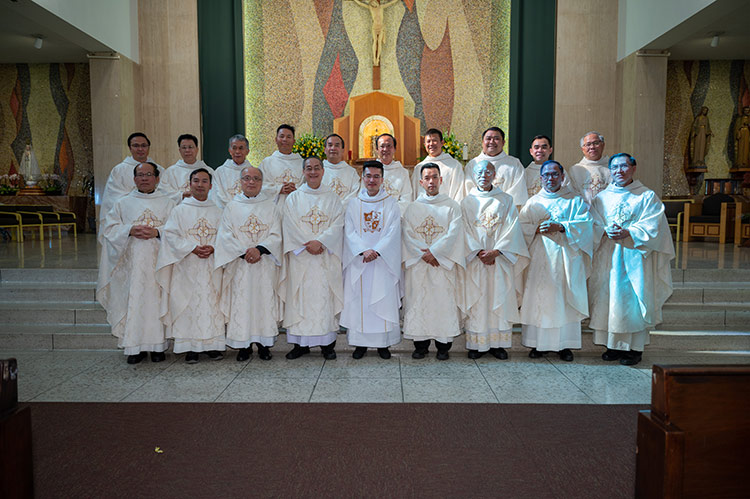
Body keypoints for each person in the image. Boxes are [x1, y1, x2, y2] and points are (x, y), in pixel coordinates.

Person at [588, 153, 674, 366]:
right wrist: (604, 230)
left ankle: (634, 349)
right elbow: (592, 222)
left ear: (633, 169)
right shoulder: (601, 197)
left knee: (632, 300)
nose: (619, 171)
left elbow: (654, 226)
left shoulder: (646, 196)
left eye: (624, 166)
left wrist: (630, 231)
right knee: (608, 298)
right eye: (615, 167)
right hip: (607, 255)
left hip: (634, 257)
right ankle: (612, 345)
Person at [97, 162, 176, 364]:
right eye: (140, 175)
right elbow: (109, 229)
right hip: (131, 267)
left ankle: (158, 347)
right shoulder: (123, 203)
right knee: (135, 301)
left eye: (149, 174)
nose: (144, 178)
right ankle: (134, 348)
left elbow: (177, 230)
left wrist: (158, 232)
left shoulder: (168, 203)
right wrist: (129, 231)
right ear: (134, 179)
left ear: (157, 178)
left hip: (158, 264)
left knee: (157, 302)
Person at [519, 160, 594, 362]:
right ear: (540, 178)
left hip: (566, 258)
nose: (550, 178)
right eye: (546, 175)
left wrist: (562, 227)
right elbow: (520, 228)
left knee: (563, 299)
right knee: (539, 298)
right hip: (539, 258)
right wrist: (535, 229)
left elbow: (586, 226)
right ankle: (537, 345)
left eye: (554, 174)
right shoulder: (533, 202)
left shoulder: (574, 201)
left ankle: (565, 345)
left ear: (562, 177)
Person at [461, 160, 529, 359]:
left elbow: (513, 229)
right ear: (474, 175)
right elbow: (463, 230)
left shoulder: (506, 200)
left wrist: (497, 251)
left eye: (488, 171)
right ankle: (476, 345)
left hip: (499, 260)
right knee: (479, 300)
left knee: (499, 298)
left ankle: (498, 345)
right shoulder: (467, 202)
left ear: (494, 175)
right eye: (479, 172)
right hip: (476, 260)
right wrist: (479, 251)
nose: (483, 175)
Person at [156, 168, 225, 363]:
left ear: (211, 186)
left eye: (204, 181)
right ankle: (190, 348)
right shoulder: (179, 210)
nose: (200, 185)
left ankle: (212, 346)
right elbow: (170, 236)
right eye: (196, 181)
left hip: (212, 265)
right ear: (190, 184)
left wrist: (213, 247)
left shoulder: (218, 211)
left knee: (212, 304)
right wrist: (192, 248)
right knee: (188, 303)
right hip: (187, 265)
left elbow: (227, 236)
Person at [215, 166, 282, 361]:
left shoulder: (271, 206)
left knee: (262, 301)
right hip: (241, 265)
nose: (251, 182)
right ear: (240, 182)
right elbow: (225, 235)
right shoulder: (231, 206)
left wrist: (259, 250)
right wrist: (244, 253)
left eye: (256, 179)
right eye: (247, 178)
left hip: (264, 263)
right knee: (242, 303)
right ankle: (243, 346)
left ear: (262, 182)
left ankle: (263, 344)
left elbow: (276, 234)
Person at [280, 156, 345, 360]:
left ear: (323, 171)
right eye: (309, 168)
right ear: (303, 172)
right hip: (301, 258)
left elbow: (338, 224)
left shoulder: (333, 198)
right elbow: (289, 224)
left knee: (324, 298)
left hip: (325, 256)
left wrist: (322, 243)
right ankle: (300, 345)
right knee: (300, 299)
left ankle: (327, 345)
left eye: (317, 168)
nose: (313, 172)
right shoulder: (293, 198)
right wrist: (309, 244)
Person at [402, 163, 465, 360]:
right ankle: (420, 346)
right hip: (420, 264)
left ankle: (443, 347)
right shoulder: (413, 208)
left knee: (442, 304)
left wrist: (435, 253)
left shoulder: (452, 206)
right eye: (427, 178)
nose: (431, 181)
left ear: (441, 180)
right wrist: (425, 255)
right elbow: (407, 233)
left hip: (442, 265)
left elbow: (454, 233)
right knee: (418, 303)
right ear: (421, 182)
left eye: (435, 177)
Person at [341, 160, 402, 359]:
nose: (372, 180)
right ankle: (360, 344)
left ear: (382, 179)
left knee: (382, 299)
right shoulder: (353, 203)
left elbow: (394, 231)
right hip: (360, 261)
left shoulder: (391, 203)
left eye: (376, 176)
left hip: (382, 261)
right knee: (360, 301)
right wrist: (363, 250)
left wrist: (377, 251)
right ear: (363, 178)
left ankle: (383, 345)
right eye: (368, 176)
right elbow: (349, 230)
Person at [98, 133, 163, 237]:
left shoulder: (159, 170)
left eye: (144, 145)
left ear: (148, 147)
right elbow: (112, 199)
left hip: (156, 221)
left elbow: (165, 195)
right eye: (136, 146)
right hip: (129, 223)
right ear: (130, 148)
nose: (140, 149)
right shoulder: (119, 170)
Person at [463, 127, 528, 209]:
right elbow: (469, 190)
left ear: (503, 142)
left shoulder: (514, 164)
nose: (492, 142)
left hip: (506, 212)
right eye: (488, 138)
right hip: (479, 211)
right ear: (482, 142)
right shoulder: (473, 164)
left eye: (496, 139)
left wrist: (499, 207)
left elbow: (518, 191)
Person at [411, 129, 465, 202]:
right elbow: (414, 193)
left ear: (442, 142)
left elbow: (459, 192)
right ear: (424, 145)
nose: (431, 144)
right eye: (428, 141)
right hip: (424, 211)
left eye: (434, 140)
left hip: (446, 210)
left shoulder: (454, 166)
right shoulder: (419, 167)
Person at [160, 134, 214, 201]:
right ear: (179, 150)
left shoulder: (208, 171)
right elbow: (163, 192)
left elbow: (214, 193)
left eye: (190, 147)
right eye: (184, 147)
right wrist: (181, 195)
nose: (187, 150)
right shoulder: (171, 171)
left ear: (197, 149)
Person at [258, 124, 304, 203]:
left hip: (297, 206)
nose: (285, 139)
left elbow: (309, 186)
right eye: (281, 136)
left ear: (294, 141)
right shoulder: (267, 163)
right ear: (276, 139)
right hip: (273, 209)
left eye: (288, 137)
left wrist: (296, 189)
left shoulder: (302, 163)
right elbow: (259, 186)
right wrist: (279, 189)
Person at [568, 131, 610, 205]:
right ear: (582, 149)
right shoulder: (575, 170)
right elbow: (573, 195)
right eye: (588, 144)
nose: (592, 147)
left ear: (603, 145)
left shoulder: (613, 167)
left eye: (596, 143)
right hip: (585, 212)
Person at [212, 135, 253, 209]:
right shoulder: (220, 172)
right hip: (225, 212)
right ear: (230, 150)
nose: (237, 151)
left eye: (241, 148)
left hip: (247, 212)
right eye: (234, 148)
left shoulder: (253, 173)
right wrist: (232, 209)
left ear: (247, 151)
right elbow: (217, 196)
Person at [375, 133, 413, 213]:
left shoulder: (403, 172)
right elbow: (364, 196)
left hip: (395, 217)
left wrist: (391, 212)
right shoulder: (371, 171)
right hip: (374, 216)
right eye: (382, 146)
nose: (385, 149)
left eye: (389, 146)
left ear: (395, 149)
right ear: (377, 149)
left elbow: (406, 199)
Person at [322, 133, 359, 203]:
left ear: (342, 150)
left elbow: (355, 193)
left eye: (337, 145)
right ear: (325, 150)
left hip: (345, 211)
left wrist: (340, 207)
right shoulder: (317, 171)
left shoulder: (351, 172)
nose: (333, 148)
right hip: (323, 212)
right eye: (330, 145)